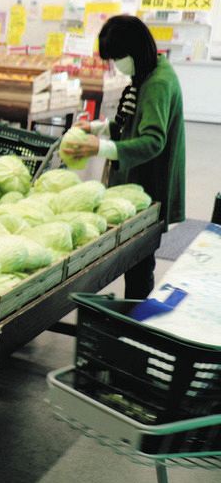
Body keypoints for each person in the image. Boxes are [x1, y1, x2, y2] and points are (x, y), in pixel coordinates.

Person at [62, 15, 185, 299]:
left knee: (140, 261)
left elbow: (153, 140)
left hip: (149, 184)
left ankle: (135, 321)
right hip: (138, 182)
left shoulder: (158, 84)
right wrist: (97, 127)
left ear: (135, 51)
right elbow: (131, 121)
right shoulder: (146, 74)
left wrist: (100, 147)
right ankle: (132, 316)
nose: (116, 65)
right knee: (136, 259)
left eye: (117, 57)